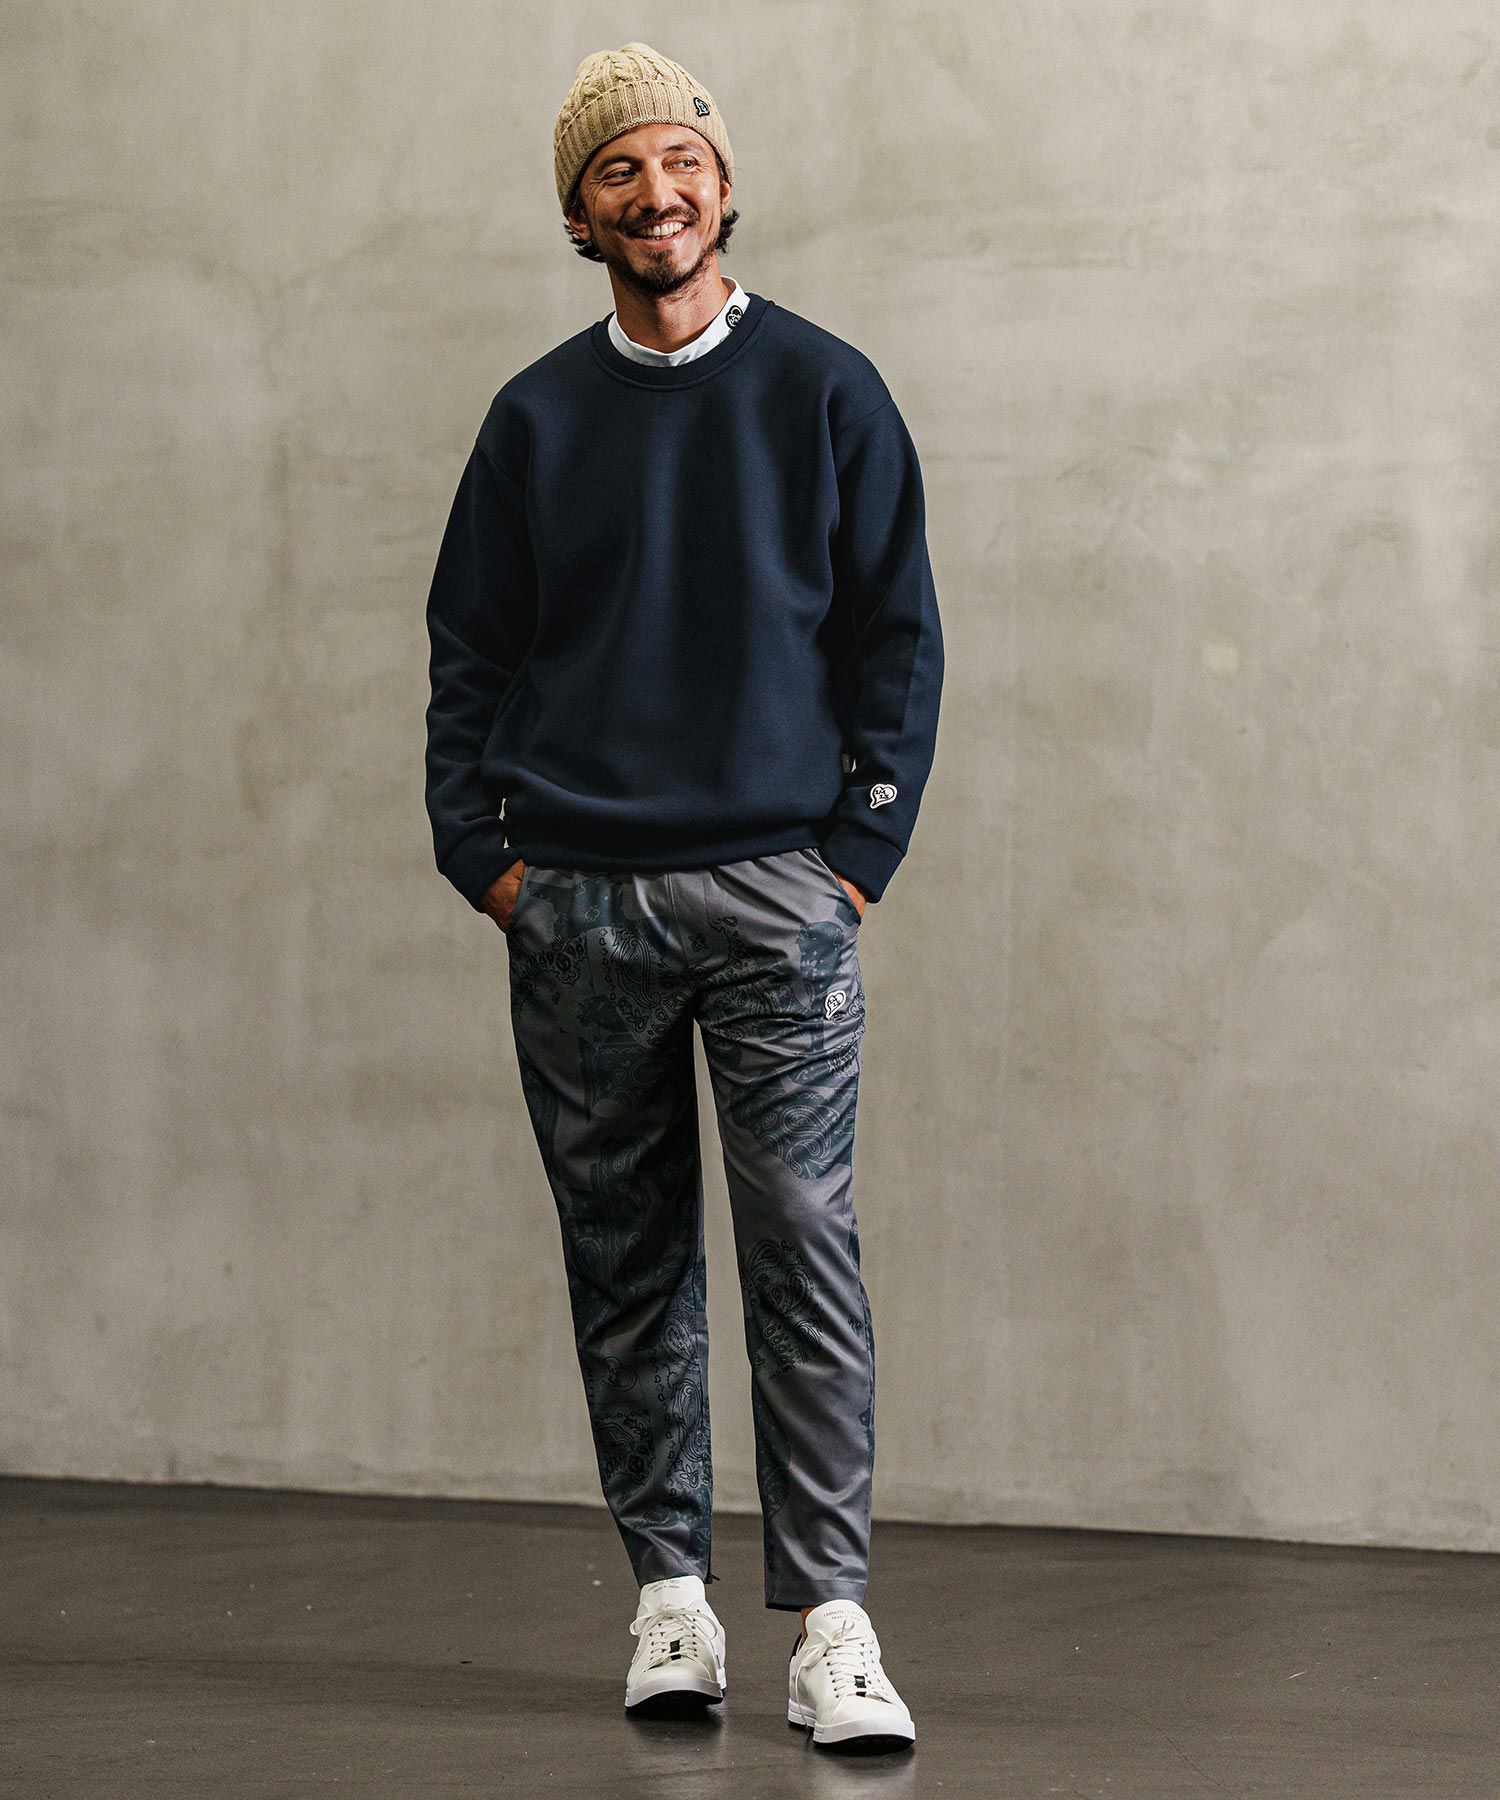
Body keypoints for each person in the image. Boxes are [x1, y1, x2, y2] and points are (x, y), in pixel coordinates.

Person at [423, 42, 942, 1753]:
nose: (657, 194)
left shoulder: (827, 389)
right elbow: (470, 648)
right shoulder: (536, 418)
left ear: (722, 187)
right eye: (618, 172)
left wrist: (854, 857)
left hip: (777, 893)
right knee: (627, 1258)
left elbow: (895, 634)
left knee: (803, 1244)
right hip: (577, 900)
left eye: (680, 163)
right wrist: (485, 855)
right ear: (581, 215)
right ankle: (669, 1598)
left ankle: (835, 1625)